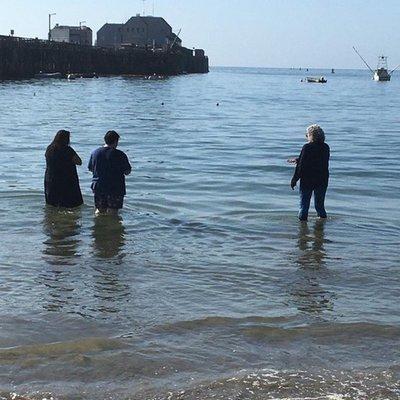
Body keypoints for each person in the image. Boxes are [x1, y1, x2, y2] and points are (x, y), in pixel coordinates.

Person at [289, 124, 330, 221]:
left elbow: (301, 166)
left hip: (308, 180)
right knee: (320, 207)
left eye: (307, 134)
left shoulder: (307, 147)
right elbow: (318, 160)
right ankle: (321, 228)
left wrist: (294, 179)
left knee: (304, 206)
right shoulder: (325, 147)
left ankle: (302, 230)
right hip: (322, 179)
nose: (306, 136)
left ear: (311, 135)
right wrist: (299, 159)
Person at [88, 130, 132, 215]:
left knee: (99, 209)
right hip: (115, 187)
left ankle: (98, 225)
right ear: (116, 141)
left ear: (105, 140)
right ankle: (111, 227)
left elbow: (90, 169)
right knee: (113, 211)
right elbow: (127, 171)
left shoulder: (95, 153)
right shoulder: (120, 154)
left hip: (98, 186)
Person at [44, 130, 83, 208]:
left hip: (51, 180)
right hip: (66, 180)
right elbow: (79, 162)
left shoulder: (49, 149)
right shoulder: (68, 150)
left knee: (53, 205)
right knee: (70, 204)